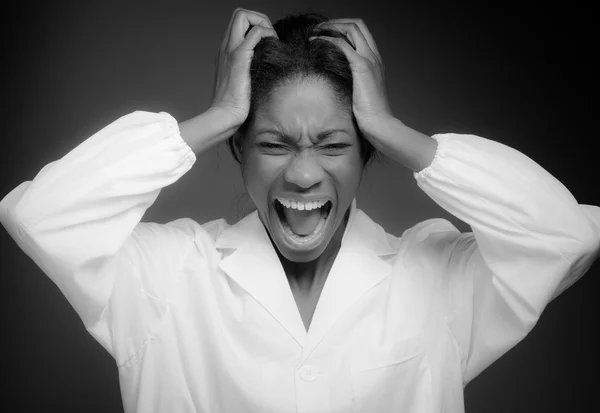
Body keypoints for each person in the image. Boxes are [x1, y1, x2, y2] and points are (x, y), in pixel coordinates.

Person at [1, 7, 598, 413]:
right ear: (238, 146)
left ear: (369, 152)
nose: (304, 173)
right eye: (272, 143)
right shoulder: (167, 276)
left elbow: (566, 235)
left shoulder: (436, 276)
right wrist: (214, 115)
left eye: (334, 144)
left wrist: (394, 129)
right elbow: (41, 215)